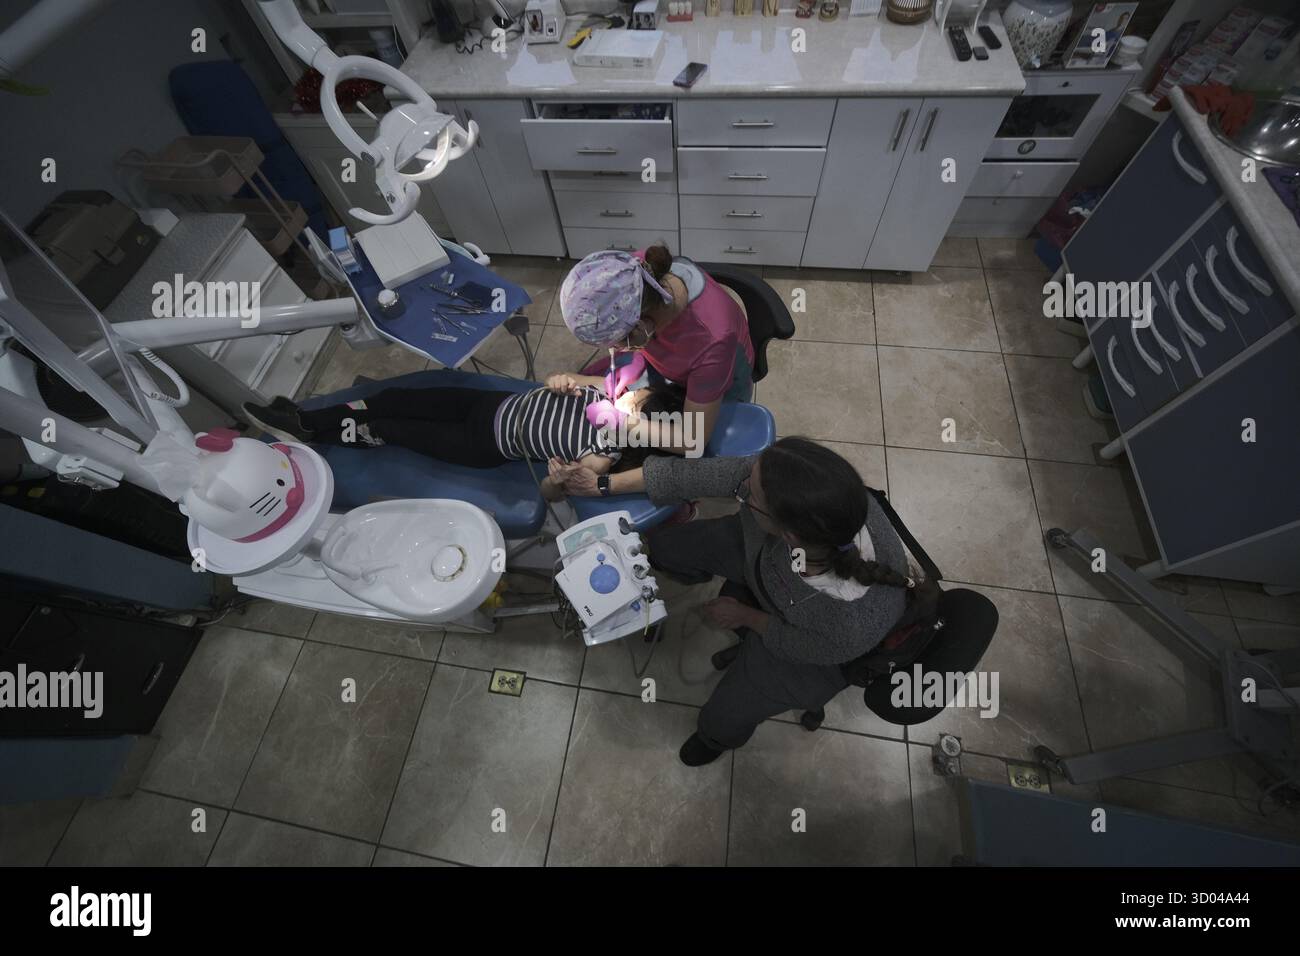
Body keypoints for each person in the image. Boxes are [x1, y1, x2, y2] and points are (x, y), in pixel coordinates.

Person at [551, 437, 939, 766]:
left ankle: (716, 739)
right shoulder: (802, 491)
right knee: (670, 546)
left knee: (732, 708)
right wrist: (602, 484)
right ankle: (699, 574)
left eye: (747, 494)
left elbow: (795, 644)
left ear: (787, 535)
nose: (740, 486)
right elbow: (704, 475)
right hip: (766, 564)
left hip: (808, 655)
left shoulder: (851, 621)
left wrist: (746, 615)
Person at [242, 374, 684, 501]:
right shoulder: (604, 391)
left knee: (390, 429)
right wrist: (560, 381)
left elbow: (552, 494)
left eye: (634, 408)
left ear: (638, 431)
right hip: (486, 404)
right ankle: (305, 416)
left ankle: (316, 434)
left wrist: (559, 476)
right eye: (635, 394)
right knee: (394, 396)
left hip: (482, 446)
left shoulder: (603, 454)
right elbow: (558, 378)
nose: (626, 401)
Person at [558, 245, 755, 457]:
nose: (614, 350)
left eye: (617, 343)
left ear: (641, 326)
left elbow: (693, 441)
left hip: (723, 386)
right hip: (672, 368)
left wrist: (621, 423)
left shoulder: (712, 342)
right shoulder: (629, 273)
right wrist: (637, 362)